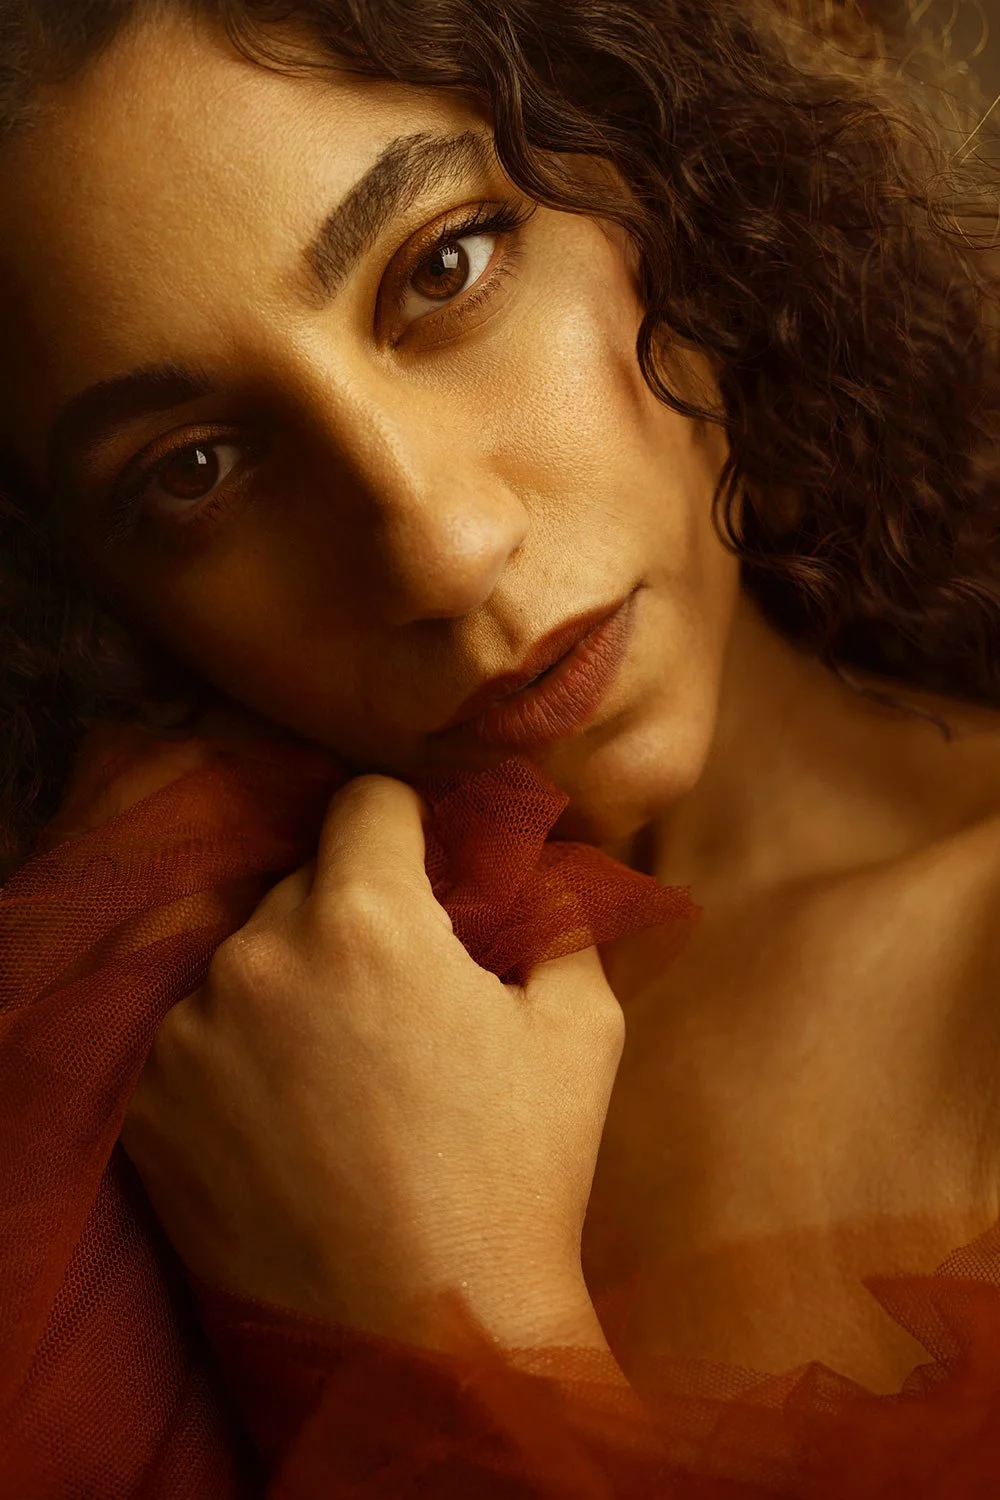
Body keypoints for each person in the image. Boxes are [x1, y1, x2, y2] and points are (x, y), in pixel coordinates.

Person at [2, 0, 1000, 1493]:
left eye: (444, 268)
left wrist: (426, 1315)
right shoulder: (143, 1047)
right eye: (195, 471)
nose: (443, 550)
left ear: (663, 178)